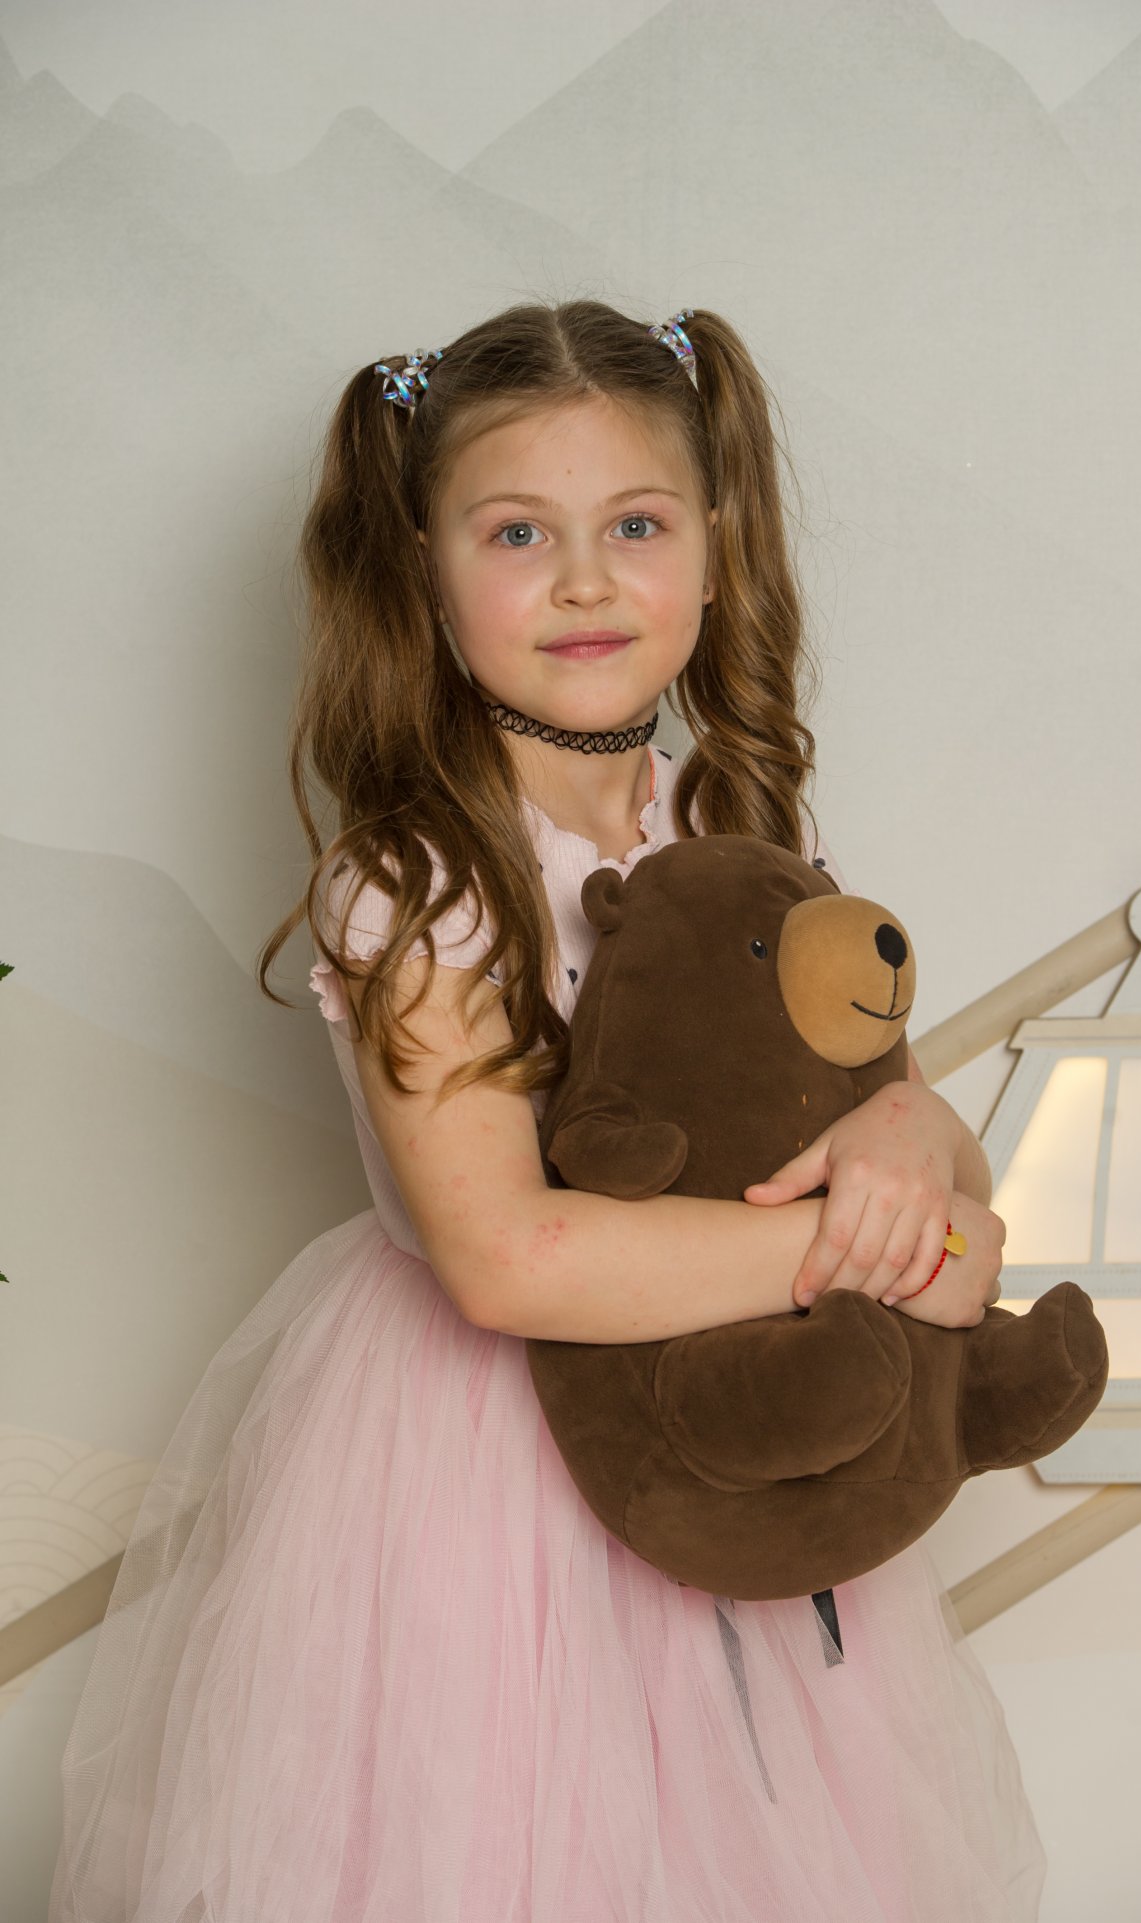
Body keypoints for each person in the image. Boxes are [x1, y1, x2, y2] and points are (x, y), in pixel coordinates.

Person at [48, 301, 1046, 1920]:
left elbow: (916, 1133)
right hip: (485, 1480)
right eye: (518, 533)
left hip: (735, 1445)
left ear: (713, 551)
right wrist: (866, 1252)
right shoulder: (421, 880)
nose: (585, 580)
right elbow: (506, 1256)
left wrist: (911, 1149)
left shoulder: (743, 832)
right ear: (424, 572)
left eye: (635, 526)